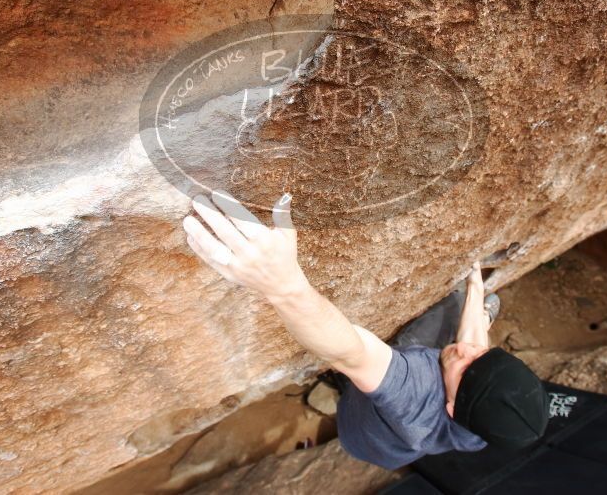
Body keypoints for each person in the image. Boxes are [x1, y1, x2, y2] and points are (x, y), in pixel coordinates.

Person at [182, 190, 549, 469]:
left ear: (451, 409)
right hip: (388, 449)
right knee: (463, 316)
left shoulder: (416, 397)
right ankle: (471, 326)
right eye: (486, 355)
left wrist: (282, 285)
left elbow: (349, 352)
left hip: (363, 427)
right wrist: (474, 285)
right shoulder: (487, 430)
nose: (470, 351)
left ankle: (346, 386)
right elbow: (470, 353)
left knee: (385, 359)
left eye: (468, 369)